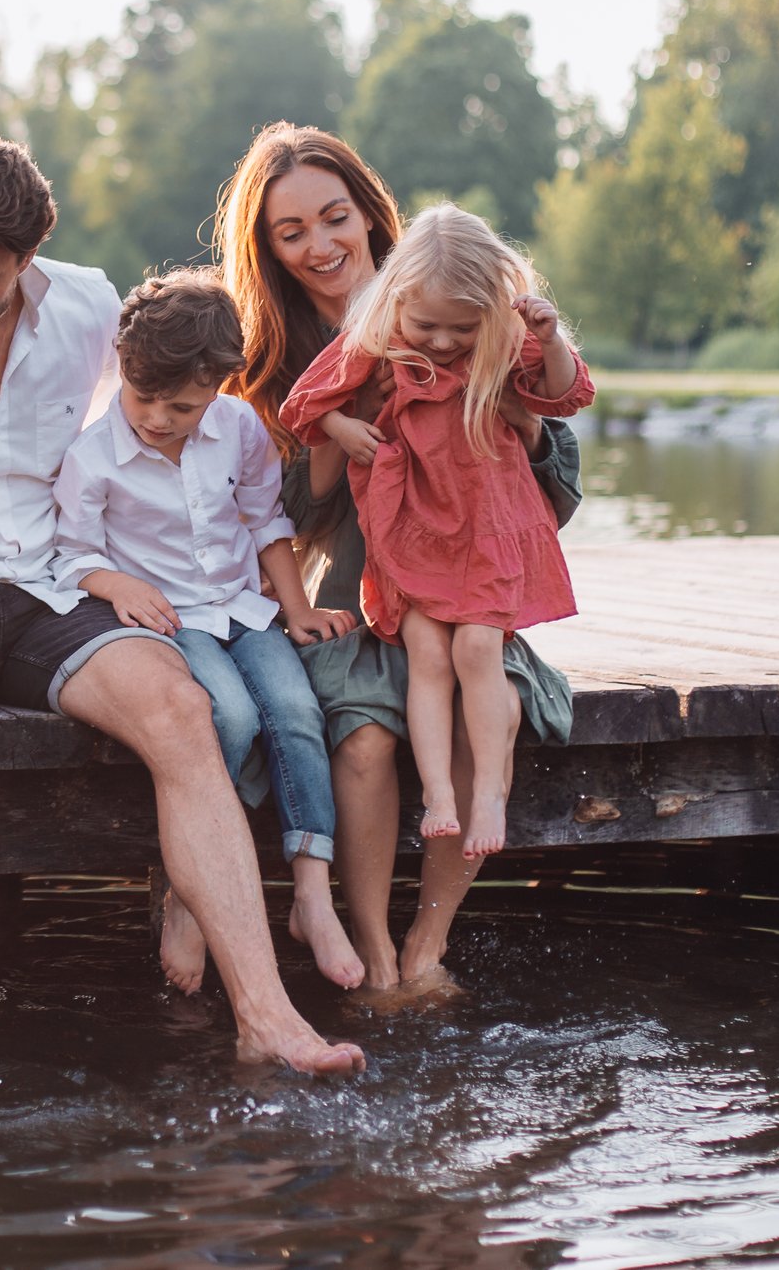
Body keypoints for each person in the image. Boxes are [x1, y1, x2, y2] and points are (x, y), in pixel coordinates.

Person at [0, 128, 366, 1099]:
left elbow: (179, 403)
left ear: (26, 259)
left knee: (182, 709)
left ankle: (266, 1014)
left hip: (58, 582)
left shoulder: (90, 305)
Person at [215, 124, 584, 995]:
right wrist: (352, 426)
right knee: (370, 741)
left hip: (470, 581)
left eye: (333, 217)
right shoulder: (282, 354)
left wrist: (516, 420)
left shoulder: (462, 296)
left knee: (476, 705)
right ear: (266, 248)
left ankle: (429, 939)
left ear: (370, 215)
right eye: (289, 230)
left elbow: (556, 492)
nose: (319, 244)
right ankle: (373, 945)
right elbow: (294, 511)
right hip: (360, 588)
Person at [48, 270, 367, 991]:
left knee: (295, 710)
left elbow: (266, 522)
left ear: (221, 387)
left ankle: (312, 892)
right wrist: (115, 583)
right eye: (144, 398)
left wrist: (297, 609)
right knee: (230, 715)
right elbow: (69, 553)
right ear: (123, 370)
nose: (158, 418)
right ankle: (192, 892)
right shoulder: (94, 454)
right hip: (169, 618)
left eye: (183, 405)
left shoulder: (241, 429)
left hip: (242, 606)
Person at [282, 205, 594, 856]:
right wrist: (342, 427)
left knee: (477, 650)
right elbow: (302, 404)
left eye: (462, 327)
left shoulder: (505, 344)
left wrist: (553, 336)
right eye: (428, 325)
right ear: (397, 301)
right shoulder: (376, 337)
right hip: (413, 533)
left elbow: (565, 396)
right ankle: (438, 794)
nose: (445, 342)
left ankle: (487, 794)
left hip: (486, 531)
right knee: (427, 655)